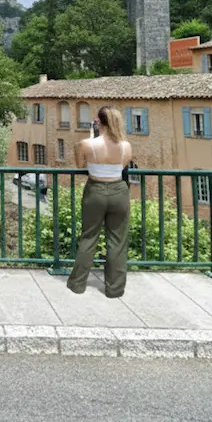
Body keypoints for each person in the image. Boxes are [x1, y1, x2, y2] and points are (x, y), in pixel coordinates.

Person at [67, 105, 132, 299]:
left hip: (95, 190)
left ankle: (77, 284)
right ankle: (115, 289)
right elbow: (121, 167)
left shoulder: (87, 144)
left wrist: (90, 136)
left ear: (98, 122)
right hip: (119, 191)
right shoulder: (126, 146)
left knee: (89, 237)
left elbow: (80, 165)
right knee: (118, 241)